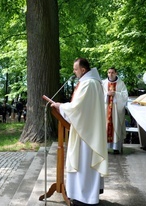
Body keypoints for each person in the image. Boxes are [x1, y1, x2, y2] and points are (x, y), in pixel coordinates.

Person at [50, 58, 108, 205]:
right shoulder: (93, 82)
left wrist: (60, 106)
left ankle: (84, 196)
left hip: (86, 133)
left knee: (83, 162)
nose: (74, 72)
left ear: (83, 70)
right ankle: (84, 194)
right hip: (88, 129)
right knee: (84, 163)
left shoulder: (88, 84)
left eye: (76, 69)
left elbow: (77, 108)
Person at [102, 67, 129, 154]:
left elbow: (125, 96)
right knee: (105, 126)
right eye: (109, 72)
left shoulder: (121, 83)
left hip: (116, 110)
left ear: (116, 73)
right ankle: (104, 148)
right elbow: (99, 94)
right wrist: (107, 94)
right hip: (106, 109)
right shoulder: (104, 83)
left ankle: (116, 147)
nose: (110, 74)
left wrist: (116, 94)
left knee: (116, 126)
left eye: (112, 72)